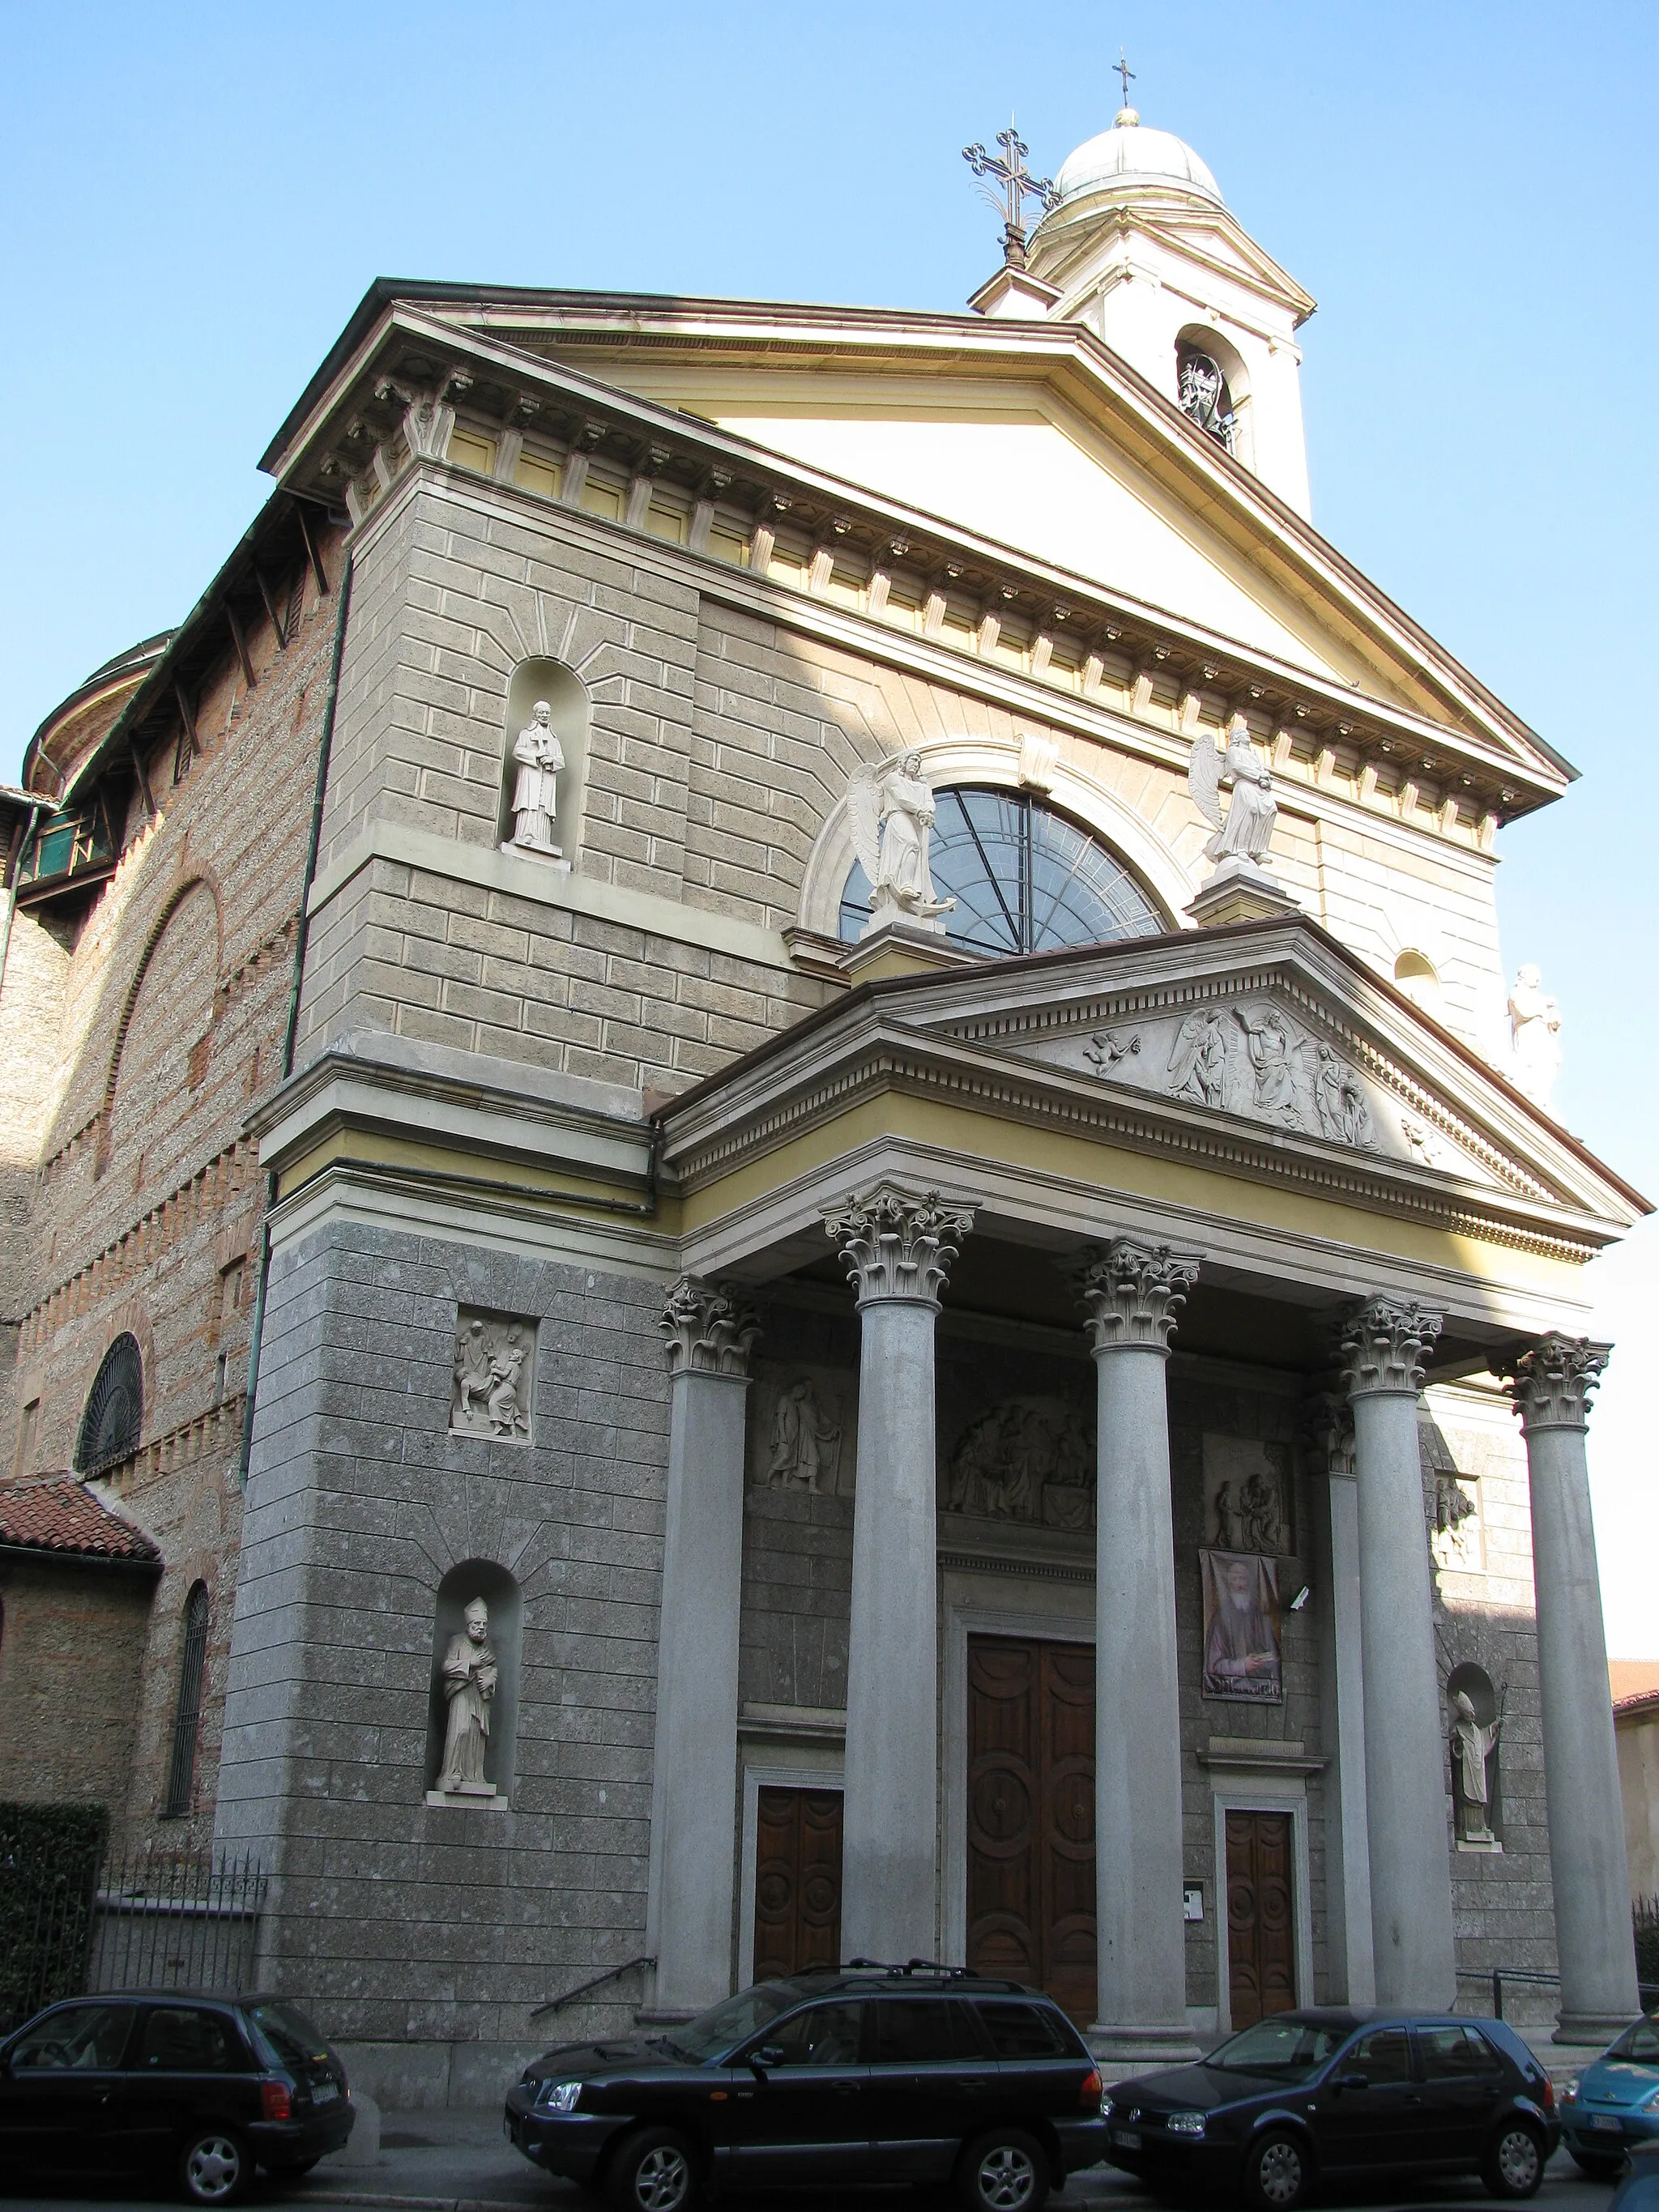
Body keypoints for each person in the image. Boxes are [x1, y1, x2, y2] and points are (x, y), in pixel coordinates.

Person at [437, 1596, 498, 1793]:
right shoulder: (458, 1641)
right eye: (477, 1624)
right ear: (469, 1625)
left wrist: (490, 1680)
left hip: (480, 1696)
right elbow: (446, 1667)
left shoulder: (487, 1646)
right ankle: (453, 1772)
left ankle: (474, 1776)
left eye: (484, 1624)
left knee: (477, 1735)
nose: (481, 1627)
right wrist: (469, 1663)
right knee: (461, 1730)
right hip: (462, 1694)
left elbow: (492, 1668)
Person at [1204, 1556, 1281, 1698]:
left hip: (1260, 1688)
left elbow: (1275, 1656)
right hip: (1230, 1687)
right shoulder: (1220, 1619)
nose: (1240, 1585)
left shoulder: (1261, 1618)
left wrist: (1264, 1660)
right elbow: (1213, 1666)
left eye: (1243, 1579)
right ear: (1229, 1584)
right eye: (1235, 1579)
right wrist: (1243, 1666)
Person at [507, 700, 565, 854]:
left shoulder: (553, 738)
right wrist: (535, 756)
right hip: (530, 775)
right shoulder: (526, 733)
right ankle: (525, 833)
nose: (544, 715)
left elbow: (561, 760)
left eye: (547, 713)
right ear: (535, 714)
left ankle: (542, 838)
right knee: (529, 802)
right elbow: (517, 751)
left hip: (547, 777)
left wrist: (552, 760)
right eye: (541, 712)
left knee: (543, 807)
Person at [1450, 1689, 1503, 1843]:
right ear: (1463, 1713)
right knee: (1466, 1799)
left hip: (1477, 1769)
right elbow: (1453, 1746)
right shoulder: (1457, 1728)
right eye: (1469, 1712)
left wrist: (1493, 1728)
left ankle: (1480, 1826)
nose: (1472, 1715)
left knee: (1479, 1799)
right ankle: (1466, 1827)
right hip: (1465, 1770)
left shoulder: (1476, 1730)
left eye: (1473, 1712)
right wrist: (1458, 1744)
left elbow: (1483, 1738)